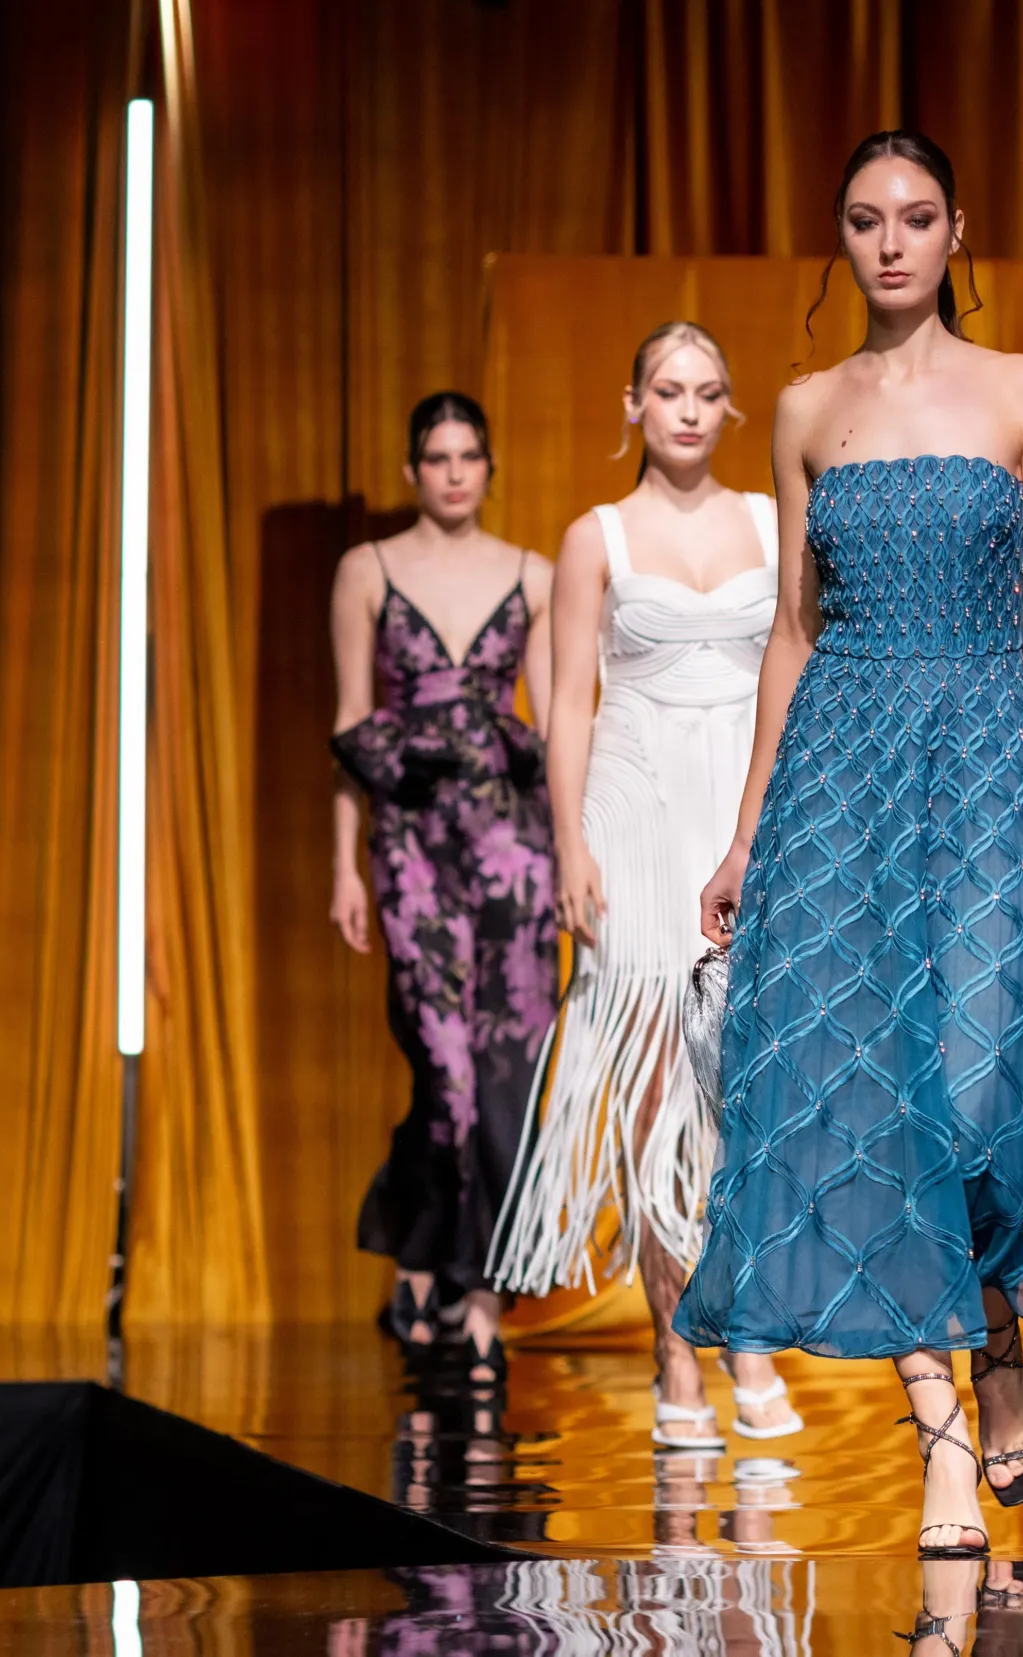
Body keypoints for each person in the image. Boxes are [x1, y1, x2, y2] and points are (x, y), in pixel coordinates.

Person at [671, 129, 1023, 1559]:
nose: (890, 242)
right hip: (840, 778)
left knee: (969, 1093)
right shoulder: (802, 410)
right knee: (866, 1107)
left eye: (914, 217)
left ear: (957, 230)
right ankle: (945, 1446)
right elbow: (791, 636)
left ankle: (1000, 1341)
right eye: (864, 219)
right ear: (840, 239)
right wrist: (744, 834)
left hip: (988, 765)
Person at [488, 321, 800, 1450]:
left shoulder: (772, 520)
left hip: (745, 805)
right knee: (659, 1091)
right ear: (633, 404)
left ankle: (748, 1333)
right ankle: (676, 1348)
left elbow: (801, 661)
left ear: (731, 407)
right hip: (634, 806)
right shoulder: (596, 538)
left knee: (748, 1086)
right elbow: (567, 703)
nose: (688, 409)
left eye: (707, 391)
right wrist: (570, 845)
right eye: (668, 390)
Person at [330, 391, 557, 1387]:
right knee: (445, 1073)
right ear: (412, 469)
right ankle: (422, 1245)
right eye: (437, 456)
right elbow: (353, 726)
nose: (455, 472)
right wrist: (343, 864)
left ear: (489, 467)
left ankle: (478, 1291)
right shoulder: (367, 570)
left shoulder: (534, 574)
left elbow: (556, 724)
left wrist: (581, 854)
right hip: (414, 845)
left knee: (508, 1082)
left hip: (516, 848)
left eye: (469, 455)